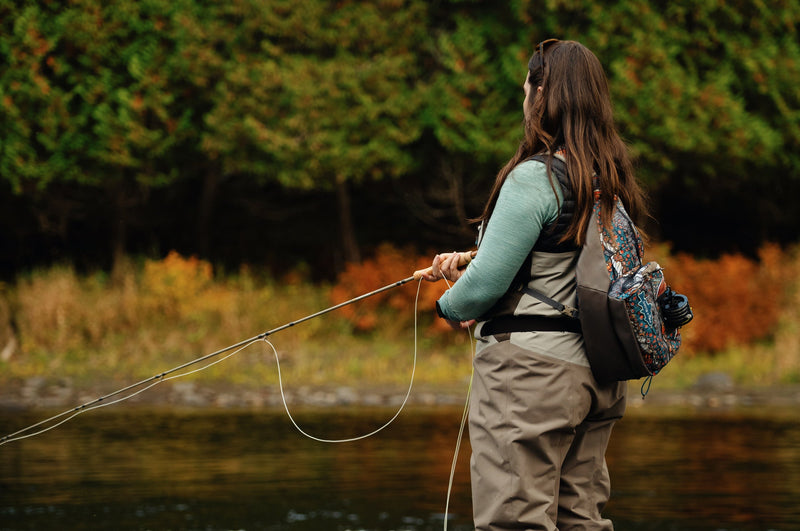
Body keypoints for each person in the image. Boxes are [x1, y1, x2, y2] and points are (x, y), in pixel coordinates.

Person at [421, 39, 649, 530]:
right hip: (598, 379)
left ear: (542, 93)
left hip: (531, 377)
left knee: (515, 520)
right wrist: (475, 262)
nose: (524, 97)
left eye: (527, 87)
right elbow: (559, 263)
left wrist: (446, 305)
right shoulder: (607, 181)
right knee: (580, 520)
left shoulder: (534, 177)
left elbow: (483, 289)